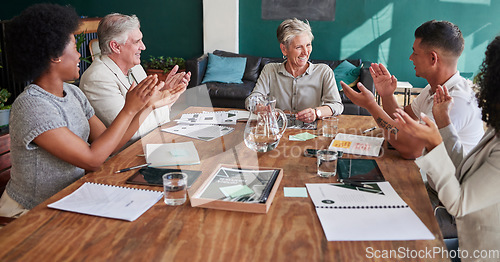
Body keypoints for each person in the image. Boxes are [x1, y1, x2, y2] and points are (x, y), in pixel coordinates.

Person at [0, 4, 160, 216]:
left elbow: (110, 144)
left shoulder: (73, 94)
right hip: (31, 213)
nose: (79, 56)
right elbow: (92, 160)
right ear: (55, 55)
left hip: (71, 198)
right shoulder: (32, 106)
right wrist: (129, 110)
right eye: (75, 48)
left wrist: (146, 106)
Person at [391, 35, 500, 258]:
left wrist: (434, 142)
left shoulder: (459, 97)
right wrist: (444, 124)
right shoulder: (496, 133)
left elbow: (459, 204)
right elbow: (464, 171)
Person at [342, 20, 484, 160]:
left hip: (450, 181)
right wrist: (386, 94)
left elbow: (412, 150)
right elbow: (403, 119)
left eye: (415, 53)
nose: (411, 58)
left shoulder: (456, 100)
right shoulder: (433, 88)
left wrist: (371, 105)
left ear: (433, 58)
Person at [80, 13, 190, 144]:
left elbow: (149, 112)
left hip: (151, 142)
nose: (143, 47)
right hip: (125, 156)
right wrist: (165, 102)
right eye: (137, 41)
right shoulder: (97, 79)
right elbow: (131, 132)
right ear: (115, 46)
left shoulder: (135, 67)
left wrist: (165, 92)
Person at [245, 18, 343, 123]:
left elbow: (337, 106)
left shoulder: (324, 72)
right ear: (284, 49)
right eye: (298, 47)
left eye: (308, 45)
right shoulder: (270, 70)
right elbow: (251, 100)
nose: (305, 52)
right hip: (279, 131)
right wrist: (260, 108)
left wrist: (316, 113)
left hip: (310, 132)